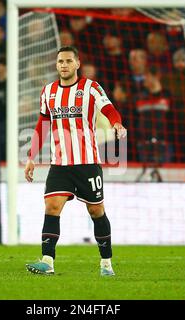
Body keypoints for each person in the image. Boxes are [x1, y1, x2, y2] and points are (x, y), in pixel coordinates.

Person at [24, 46, 127, 276]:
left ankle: (106, 263)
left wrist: (116, 123)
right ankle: (47, 261)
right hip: (59, 164)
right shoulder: (48, 91)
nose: (64, 65)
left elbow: (109, 109)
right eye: (60, 61)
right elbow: (43, 125)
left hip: (87, 162)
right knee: (52, 207)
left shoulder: (90, 88)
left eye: (69, 61)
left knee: (96, 211)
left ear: (77, 64)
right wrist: (31, 157)